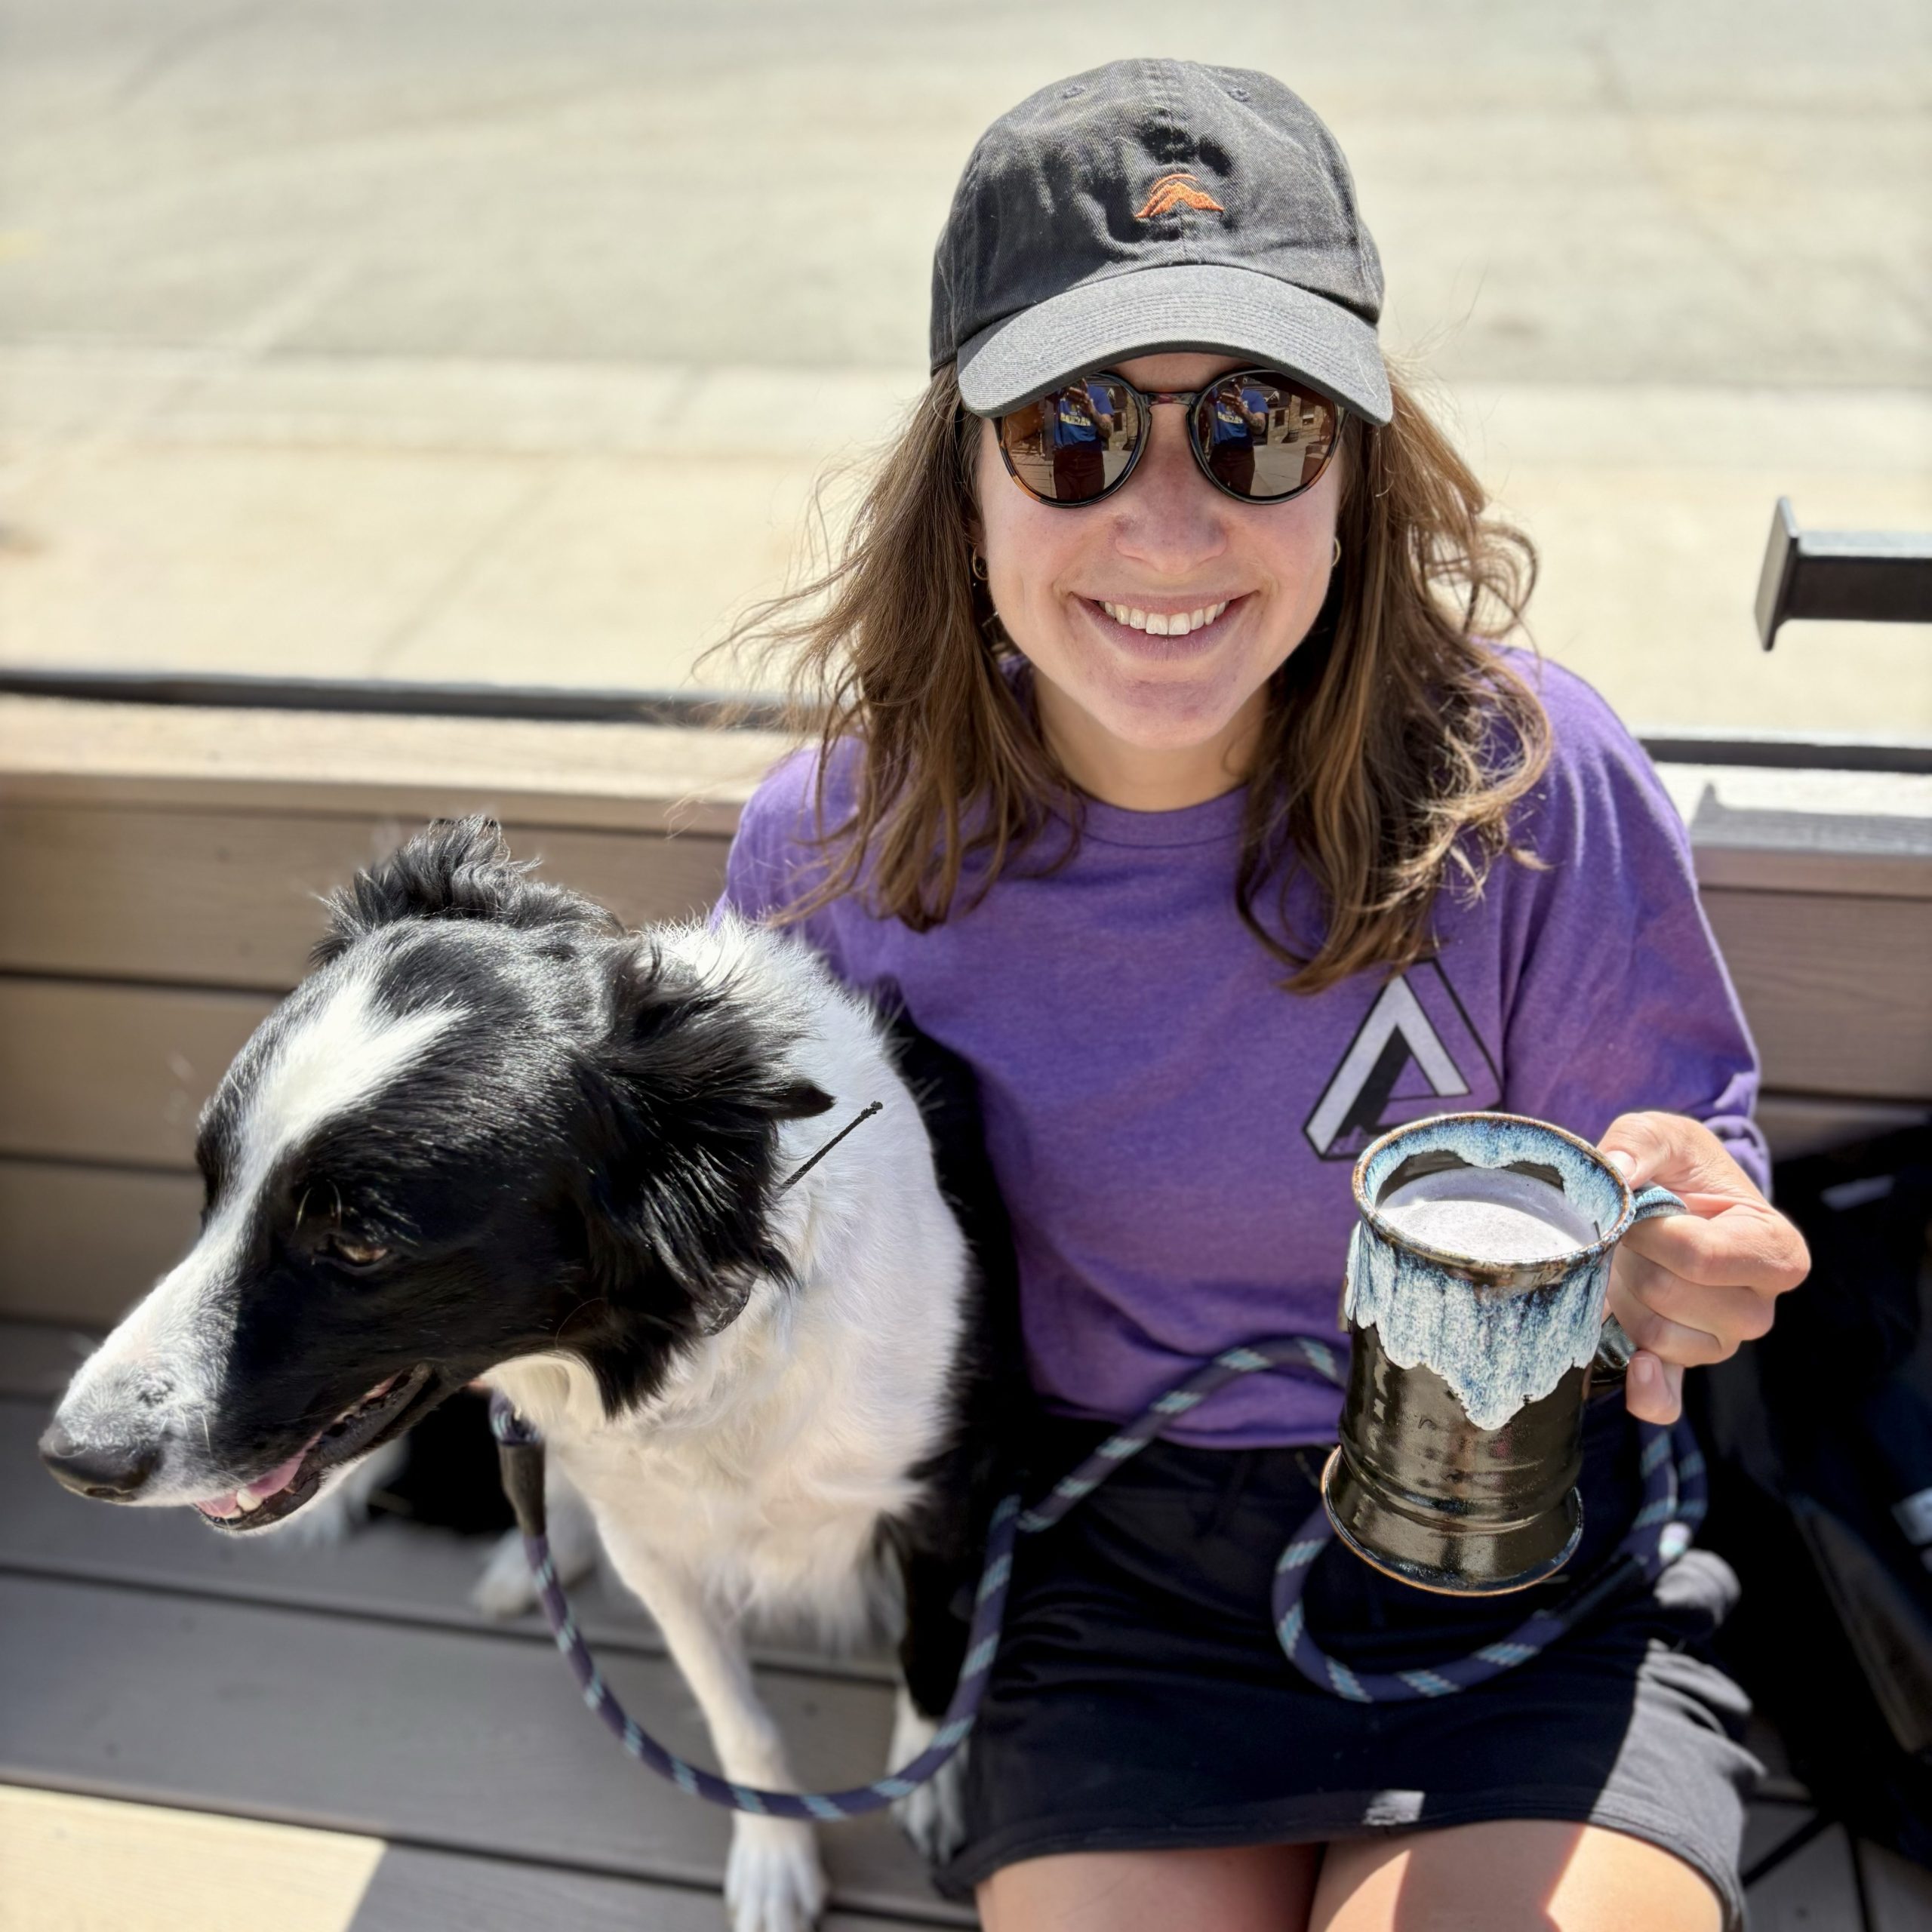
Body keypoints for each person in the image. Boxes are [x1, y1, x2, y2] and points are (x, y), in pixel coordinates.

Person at [714, 60, 1809, 1932]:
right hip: (1108, 1577)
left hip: (1524, 1549)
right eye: (1069, 429)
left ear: (1354, 477)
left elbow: (1678, 1171)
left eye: (1257, 427)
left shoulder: (1530, 782)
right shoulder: (831, 850)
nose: (1167, 524)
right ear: (959, 484)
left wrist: (1686, 1253)